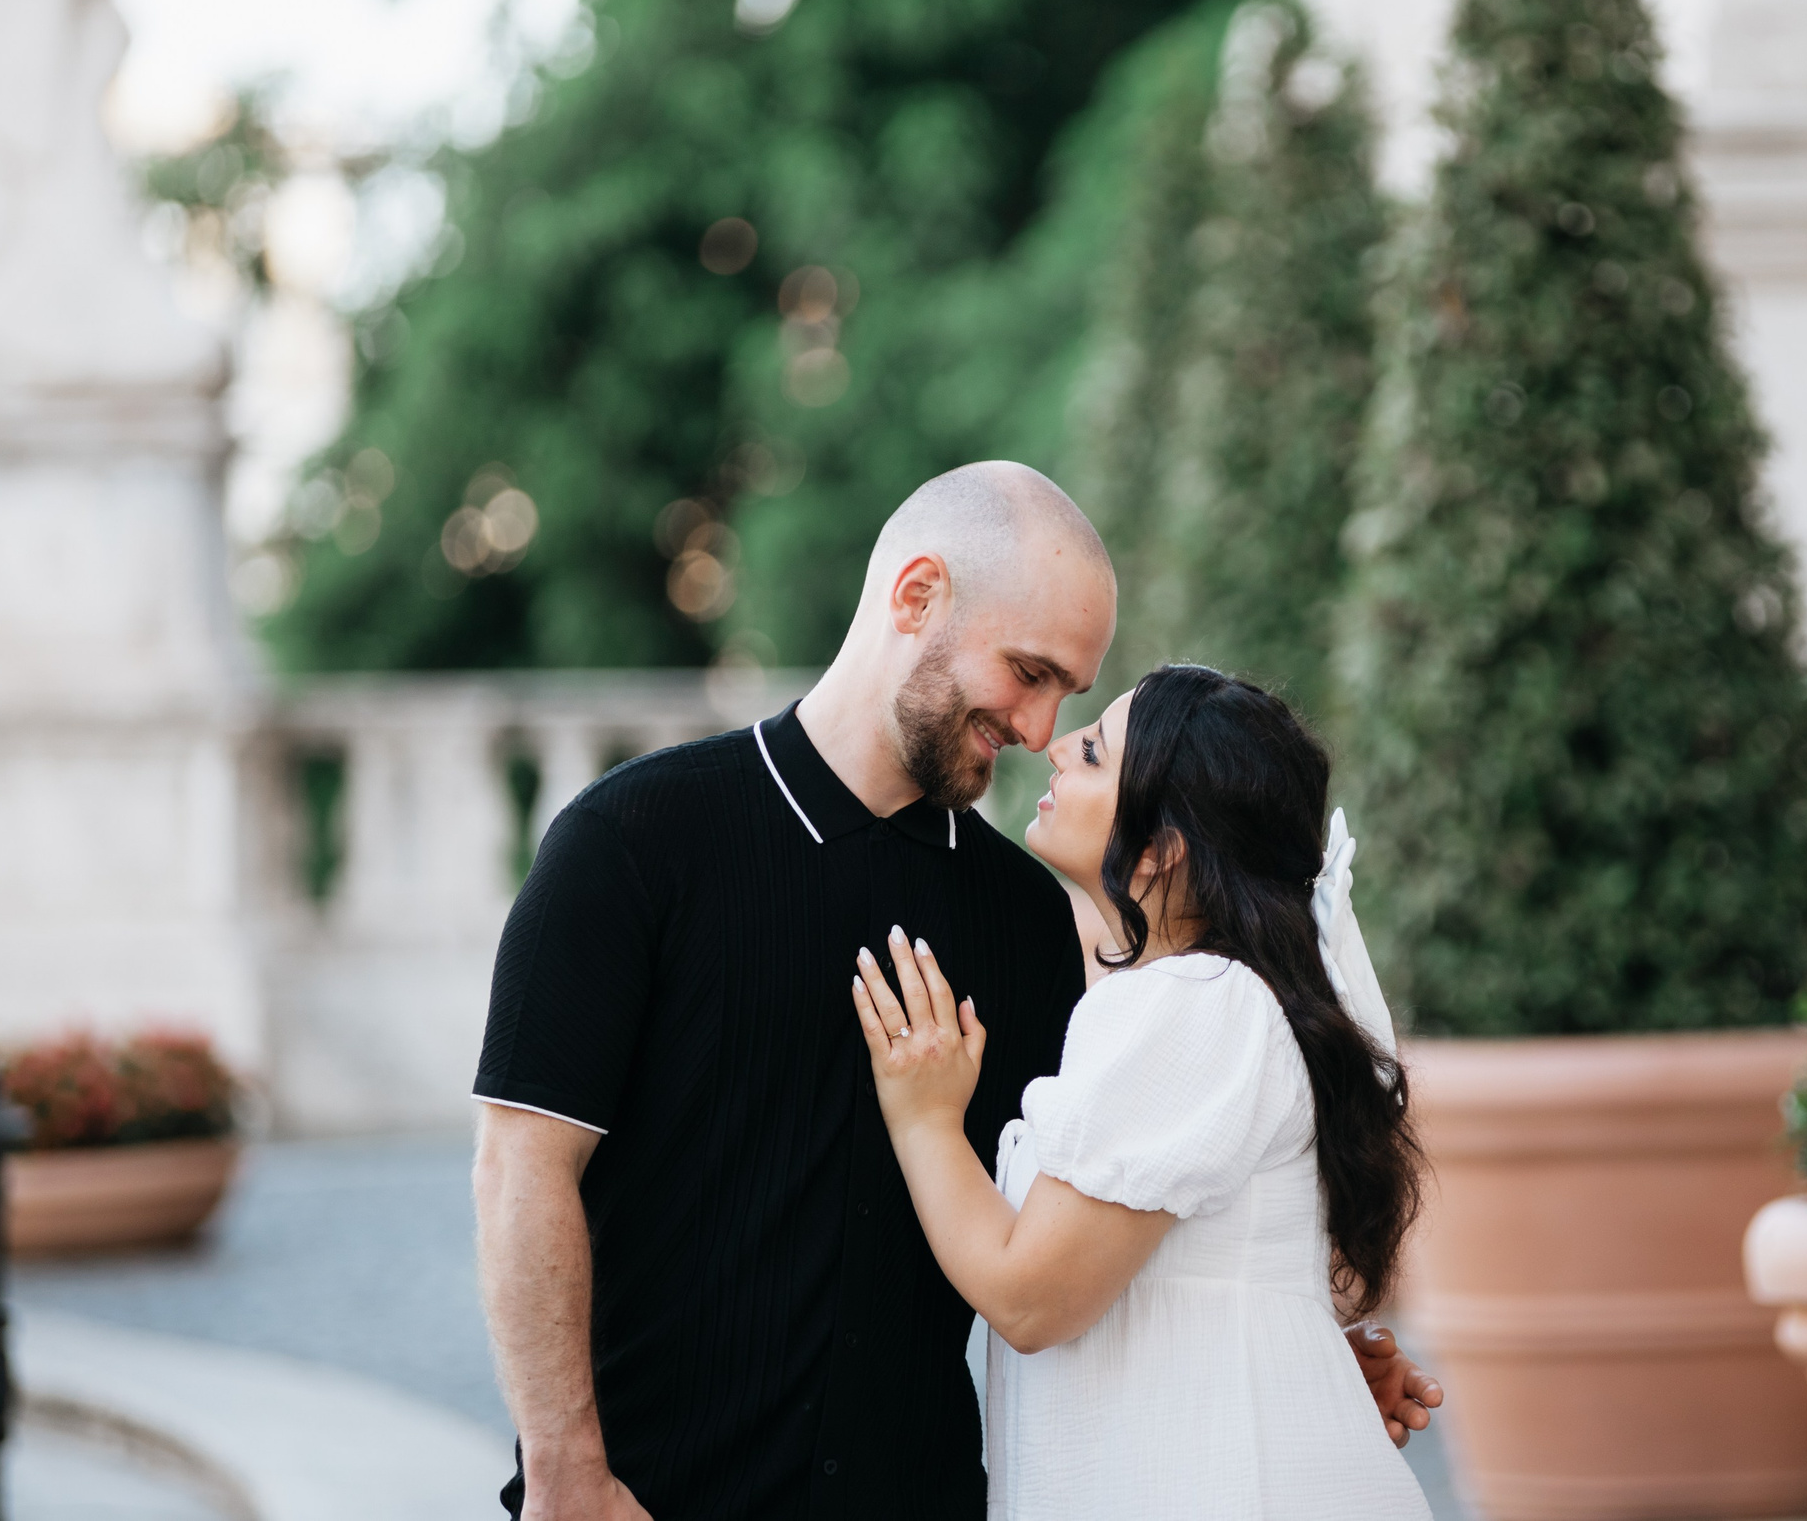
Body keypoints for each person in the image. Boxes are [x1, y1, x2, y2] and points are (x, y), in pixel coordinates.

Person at [470, 463, 1440, 1520]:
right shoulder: (631, 842)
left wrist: (1287, 1366)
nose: (1036, 731)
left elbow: (1088, 1220)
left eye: (1069, 697)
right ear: (917, 595)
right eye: (1028, 672)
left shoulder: (1032, 922)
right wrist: (568, 1477)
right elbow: (521, 1169)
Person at [850, 663, 1433, 1521]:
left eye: (1091, 753)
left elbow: (1030, 1296)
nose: (1050, 752)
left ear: (1160, 849)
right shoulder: (1217, 1002)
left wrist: (925, 1119)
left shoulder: (1192, 1005)